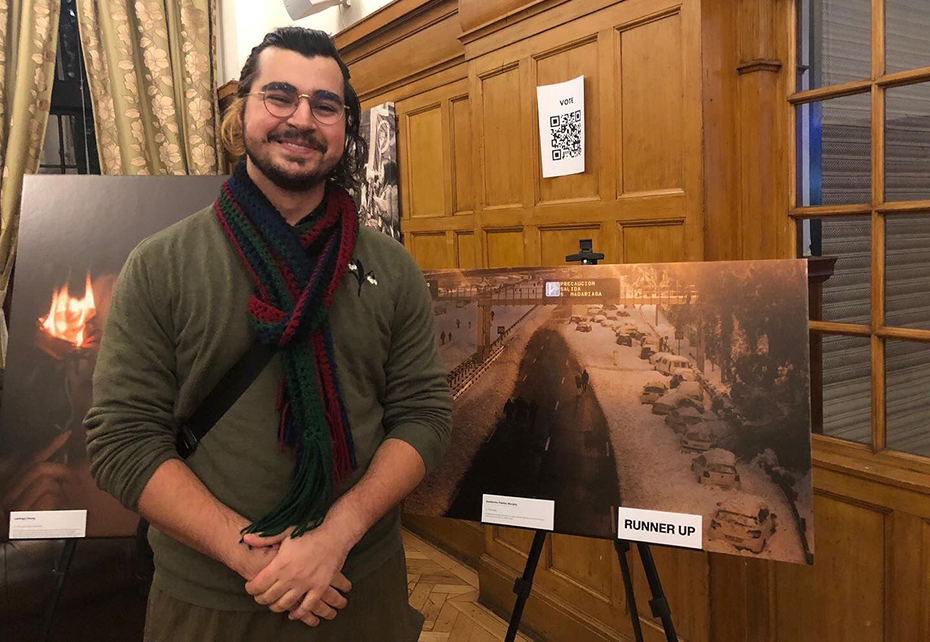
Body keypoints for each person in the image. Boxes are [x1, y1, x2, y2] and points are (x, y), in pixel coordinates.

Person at [84, 27, 452, 641]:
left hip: (359, 591)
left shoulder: (393, 268)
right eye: (279, 96)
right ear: (241, 111)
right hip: (210, 603)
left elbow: (425, 416)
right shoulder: (162, 264)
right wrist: (255, 557)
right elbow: (123, 439)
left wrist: (335, 536)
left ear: (345, 128)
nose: (302, 119)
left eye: (325, 105)